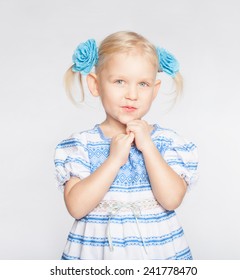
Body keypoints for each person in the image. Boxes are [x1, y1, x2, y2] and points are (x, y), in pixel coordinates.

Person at [54, 31, 198, 260]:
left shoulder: (168, 143)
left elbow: (171, 200)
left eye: (143, 84)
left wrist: (148, 148)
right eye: (119, 81)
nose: (132, 94)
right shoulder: (80, 145)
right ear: (96, 85)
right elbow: (77, 207)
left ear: (154, 91)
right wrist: (113, 161)